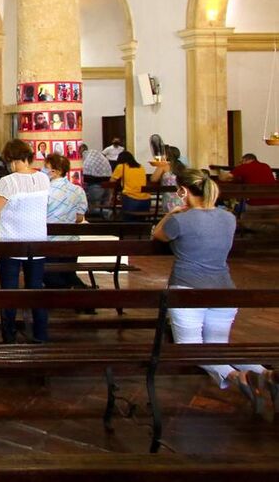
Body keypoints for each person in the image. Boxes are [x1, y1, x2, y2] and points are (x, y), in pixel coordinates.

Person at [151, 169, 276, 410]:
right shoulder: (228, 217)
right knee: (218, 346)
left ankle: (236, 377)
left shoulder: (180, 220)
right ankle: (265, 374)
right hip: (224, 289)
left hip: (188, 289)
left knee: (193, 351)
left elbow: (158, 234)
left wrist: (173, 212)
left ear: (183, 191)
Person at [0, 139, 50, 344]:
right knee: (36, 291)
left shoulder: (9, 181)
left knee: (9, 291)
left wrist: (9, 217)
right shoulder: (43, 179)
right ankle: (41, 334)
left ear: (11, 160)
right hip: (38, 241)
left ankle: (9, 335)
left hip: (11, 242)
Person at [42, 153, 89, 290]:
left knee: (49, 275)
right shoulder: (78, 190)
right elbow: (80, 218)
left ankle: (70, 292)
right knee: (68, 272)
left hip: (49, 242)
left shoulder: (45, 191)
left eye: (46, 167)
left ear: (56, 171)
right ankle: (79, 292)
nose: (43, 170)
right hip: (71, 242)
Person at [109, 150, 150, 221]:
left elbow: (112, 181)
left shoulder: (121, 166)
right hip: (146, 200)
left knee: (128, 221)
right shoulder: (141, 167)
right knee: (140, 222)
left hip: (131, 199)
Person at [149, 144, 187, 214]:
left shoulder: (163, 165)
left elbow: (153, 179)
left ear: (167, 155)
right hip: (183, 199)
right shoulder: (183, 167)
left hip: (169, 200)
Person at [80, 143, 113, 214]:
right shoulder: (97, 155)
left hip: (95, 185)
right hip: (107, 184)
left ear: (81, 150)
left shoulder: (87, 158)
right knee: (104, 205)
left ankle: (107, 213)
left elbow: (86, 175)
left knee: (93, 208)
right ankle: (107, 215)